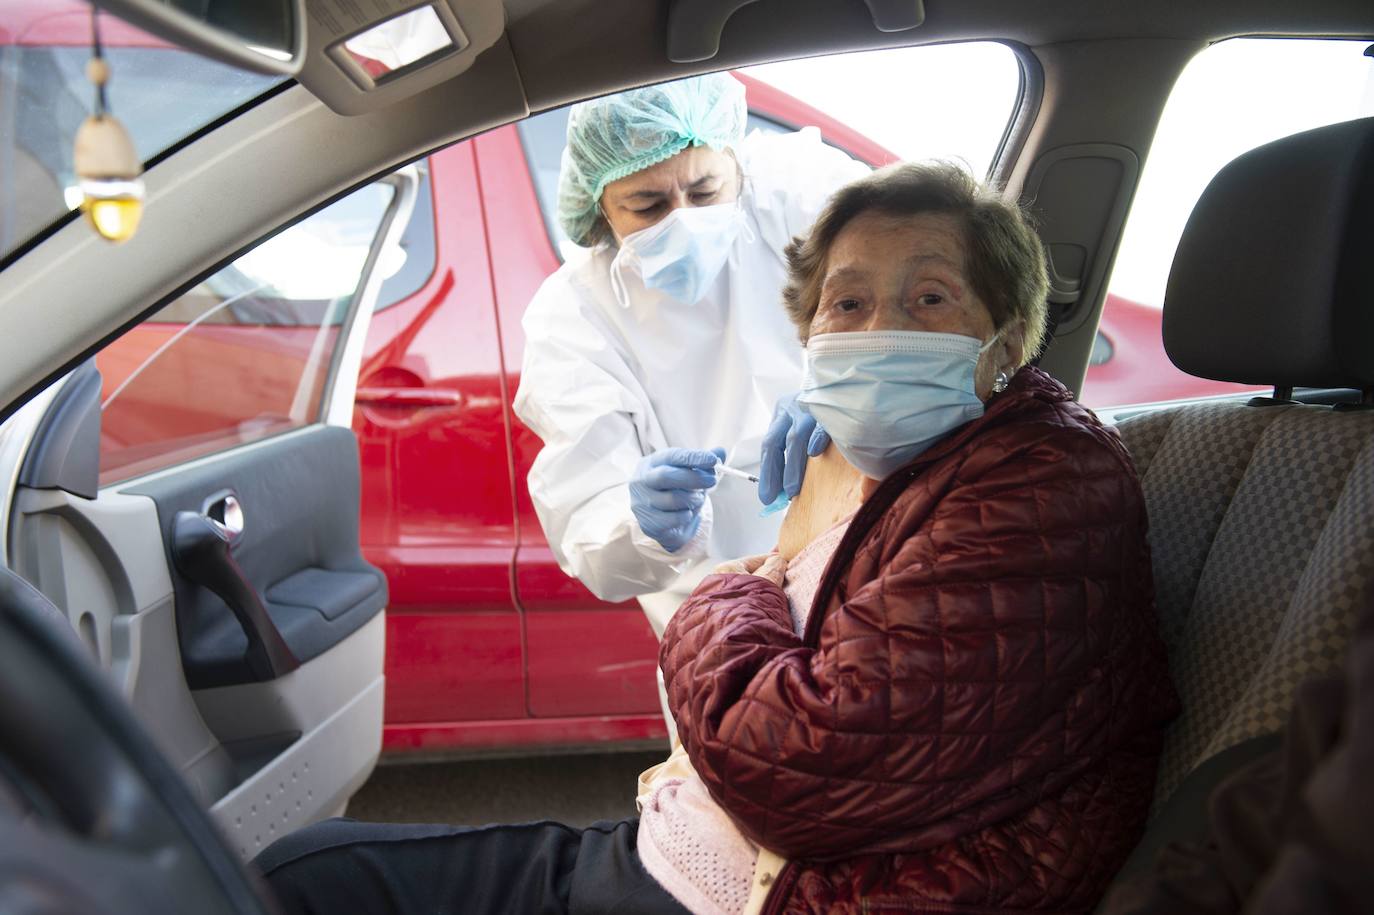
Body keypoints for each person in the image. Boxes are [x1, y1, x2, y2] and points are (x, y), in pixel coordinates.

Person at [255, 161, 1176, 915]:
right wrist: (677, 534)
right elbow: (604, 531)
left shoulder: (1041, 483)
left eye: (931, 298)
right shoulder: (920, 464)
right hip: (715, 857)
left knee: (298, 885)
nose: (880, 329)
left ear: (1007, 338)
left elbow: (796, 763)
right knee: (301, 869)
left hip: (778, 889)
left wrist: (743, 578)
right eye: (846, 306)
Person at [512, 72, 867, 637]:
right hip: (723, 620)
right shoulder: (573, 316)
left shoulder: (802, 191)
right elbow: (587, 525)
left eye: (704, 192)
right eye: (646, 206)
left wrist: (848, 384)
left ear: (735, 161)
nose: (684, 220)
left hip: (868, 564)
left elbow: (929, 293)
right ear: (600, 209)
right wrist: (643, 523)